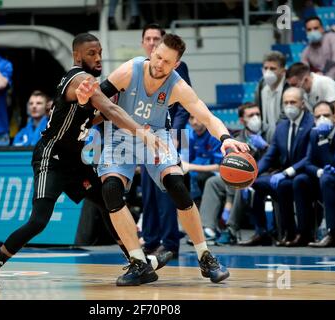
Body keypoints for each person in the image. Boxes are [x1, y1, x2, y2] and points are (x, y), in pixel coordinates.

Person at [0, 33, 172, 290]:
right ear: (77, 56)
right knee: (38, 221)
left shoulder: (89, 85)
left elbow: (95, 117)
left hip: (74, 161)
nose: (98, 58)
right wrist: (140, 132)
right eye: (91, 53)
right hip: (50, 157)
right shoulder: (79, 78)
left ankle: (137, 261)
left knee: (109, 202)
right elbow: (109, 110)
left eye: (99, 52)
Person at [78, 33, 249, 286]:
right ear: (153, 51)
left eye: (167, 62)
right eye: (157, 56)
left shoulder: (178, 86)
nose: (159, 64)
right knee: (111, 191)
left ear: (176, 65)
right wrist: (81, 108)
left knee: (177, 186)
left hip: (157, 136)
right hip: (122, 134)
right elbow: (98, 99)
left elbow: (207, 116)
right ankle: (138, 262)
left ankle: (205, 256)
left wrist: (224, 138)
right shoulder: (130, 70)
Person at [139, 23, 192, 259]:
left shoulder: (178, 70)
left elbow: (184, 106)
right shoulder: (138, 69)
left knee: (166, 190)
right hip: (143, 136)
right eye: (148, 39)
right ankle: (150, 240)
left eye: (155, 38)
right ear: (144, 44)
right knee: (148, 192)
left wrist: (176, 134)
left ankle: (170, 243)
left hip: (169, 135)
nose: (151, 42)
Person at [239, 87, 314, 246]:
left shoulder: (311, 123)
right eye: (286, 102)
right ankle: (264, 232)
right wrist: (251, 175)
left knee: (293, 183)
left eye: (293, 102)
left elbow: (310, 156)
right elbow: (270, 155)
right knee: (257, 184)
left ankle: (302, 234)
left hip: (306, 172)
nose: (289, 106)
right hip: (286, 174)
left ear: (302, 103)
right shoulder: (282, 126)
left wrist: (287, 172)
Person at [199, 102, 271, 245]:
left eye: (257, 114)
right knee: (213, 182)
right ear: (242, 120)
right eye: (251, 115)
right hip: (243, 178)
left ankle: (230, 228)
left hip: (266, 175)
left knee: (241, 182)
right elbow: (232, 169)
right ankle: (208, 229)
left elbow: (278, 158)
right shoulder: (237, 140)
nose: (256, 118)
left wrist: (265, 148)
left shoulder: (270, 132)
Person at [291, 101, 335, 247]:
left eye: (326, 115)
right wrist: (319, 171)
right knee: (300, 180)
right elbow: (309, 163)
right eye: (318, 116)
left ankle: (334, 234)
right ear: (314, 120)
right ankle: (304, 233)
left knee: (328, 179)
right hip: (326, 178)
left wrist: (322, 140)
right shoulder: (314, 133)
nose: (322, 119)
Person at [286, 62, 335, 133]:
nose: (293, 89)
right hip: (325, 133)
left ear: (306, 79)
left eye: (294, 85)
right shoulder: (303, 92)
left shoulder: (325, 83)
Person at [301, 16, 335, 81]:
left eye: (316, 28)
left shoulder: (333, 38)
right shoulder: (307, 50)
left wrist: (326, 81)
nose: (312, 32)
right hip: (324, 80)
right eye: (309, 30)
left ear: (322, 28)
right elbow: (303, 69)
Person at [254, 51, 288, 141]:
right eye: (265, 68)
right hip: (267, 138)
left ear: (283, 71)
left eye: (273, 68)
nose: (268, 72)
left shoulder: (289, 88)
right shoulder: (261, 86)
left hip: (284, 137)